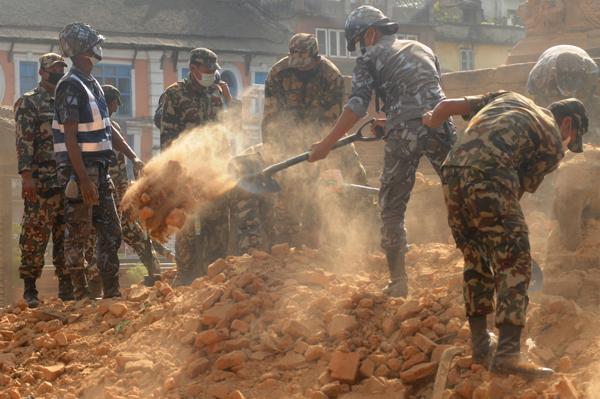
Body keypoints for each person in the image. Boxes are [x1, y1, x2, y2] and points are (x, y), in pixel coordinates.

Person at [423, 90, 587, 378]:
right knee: (516, 258)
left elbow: (447, 106)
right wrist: (508, 243)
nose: (567, 144)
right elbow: (516, 190)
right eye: (572, 139)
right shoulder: (552, 139)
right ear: (568, 125)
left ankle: (481, 346)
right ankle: (509, 354)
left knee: (476, 258)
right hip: (490, 174)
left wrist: (430, 121)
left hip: (451, 172)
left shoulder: (508, 96)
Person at [309, 6, 455, 297]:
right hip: (441, 125)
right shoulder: (423, 48)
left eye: (360, 41)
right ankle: (487, 264)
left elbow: (356, 106)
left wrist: (326, 144)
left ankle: (398, 282)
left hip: (403, 133)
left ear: (371, 33)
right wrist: (390, 120)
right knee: (462, 193)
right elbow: (425, 98)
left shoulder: (369, 57)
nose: (360, 48)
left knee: (391, 209)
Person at [53, 22, 143, 299]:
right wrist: (82, 179)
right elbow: (70, 138)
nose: (98, 49)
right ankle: (80, 294)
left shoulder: (92, 84)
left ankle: (111, 291)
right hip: (81, 174)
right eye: (94, 45)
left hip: (100, 172)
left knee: (112, 232)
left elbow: (108, 127)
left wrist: (133, 156)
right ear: (82, 51)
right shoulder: (70, 86)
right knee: (78, 235)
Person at [262, 33, 369, 248]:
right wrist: (274, 150)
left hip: (324, 138)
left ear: (314, 56)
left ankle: (365, 234)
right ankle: (285, 244)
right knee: (285, 190)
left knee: (352, 175)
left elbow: (332, 120)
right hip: (288, 139)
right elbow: (271, 118)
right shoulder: (278, 73)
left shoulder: (330, 76)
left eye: (303, 59)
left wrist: (322, 150)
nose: (298, 64)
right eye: (294, 57)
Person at [159, 48, 232, 286]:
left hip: (212, 170)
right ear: (193, 68)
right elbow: (168, 136)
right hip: (185, 171)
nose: (211, 74)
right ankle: (185, 276)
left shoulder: (215, 94)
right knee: (187, 224)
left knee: (217, 220)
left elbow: (223, 130)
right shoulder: (175, 94)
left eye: (214, 70)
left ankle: (214, 273)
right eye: (207, 69)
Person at [15, 53, 71, 307]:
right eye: (54, 68)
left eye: (61, 68)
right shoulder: (30, 102)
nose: (58, 72)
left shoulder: (68, 100)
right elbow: (24, 141)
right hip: (41, 182)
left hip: (67, 181)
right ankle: (30, 290)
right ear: (42, 72)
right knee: (35, 235)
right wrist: (27, 176)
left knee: (66, 236)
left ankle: (67, 287)